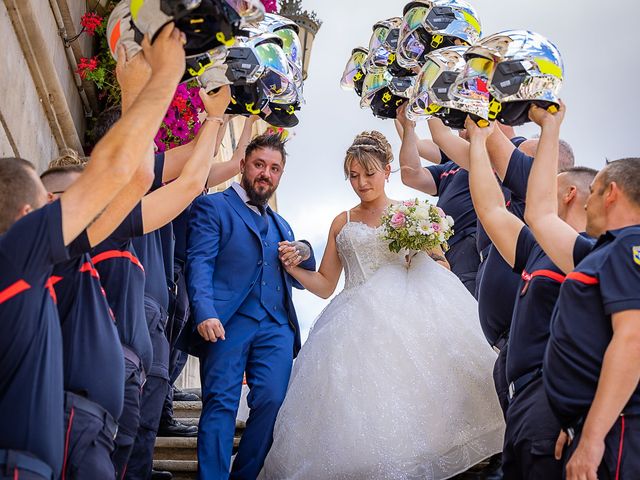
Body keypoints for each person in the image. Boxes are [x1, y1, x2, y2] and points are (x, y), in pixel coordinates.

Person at [259, 131, 504, 479]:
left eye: (369, 174)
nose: (361, 183)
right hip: (352, 323)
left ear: (387, 171)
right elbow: (327, 284)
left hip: (408, 315)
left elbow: (443, 265)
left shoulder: (412, 213)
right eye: (354, 176)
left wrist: (419, 260)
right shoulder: (341, 222)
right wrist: (294, 269)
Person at [0, 22, 186, 480]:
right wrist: (165, 72)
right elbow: (114, 170)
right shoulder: (17, 251)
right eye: (50, 205)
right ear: (31, 212)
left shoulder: (32, 264)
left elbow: (135, 180)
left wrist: (137, 90)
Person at [466, 115, 596, 478]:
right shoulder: (539, 248)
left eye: (548, 183)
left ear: (570, 193)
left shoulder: (594, 254)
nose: (534, 191)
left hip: (554, 401)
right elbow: (491, 210)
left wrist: (549, 127)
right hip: (518, 396)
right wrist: (477, 142)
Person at [186, 133, 316, 479]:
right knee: (221, 403)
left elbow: (306, 269)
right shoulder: (212, 207)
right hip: (228, 322)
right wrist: (205, 311)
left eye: (274, 169)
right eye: (259, 165)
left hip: (276, 327)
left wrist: (303, 249)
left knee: (273, 401)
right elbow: (199, 262)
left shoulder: (281, 223)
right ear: (243, 165)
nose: (266, 174)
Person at [524, 103, 640, 480]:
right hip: (596, 425)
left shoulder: (631, 245)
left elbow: (633, 339)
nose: (585, 200)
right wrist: (549, 127)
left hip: (621, 432)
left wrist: (592, 438)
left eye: (595, 190)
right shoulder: (600, 252)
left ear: (611, 194)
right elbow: (540, 214)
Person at [158, 115, 260, 439]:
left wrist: (248, 120)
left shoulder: (203, 176)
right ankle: (163, 414)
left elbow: (236, 161)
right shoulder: (181, 175)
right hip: (171, 264)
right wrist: (216, 119)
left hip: (188, 267)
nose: (212, 145)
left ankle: (166, 402)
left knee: (175, 345)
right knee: (167, 342)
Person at [395, 108, 480, 294]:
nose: (459, 127)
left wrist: (427, 95)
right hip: (444, 250)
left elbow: (441, 136)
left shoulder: (485, 156)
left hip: (471, 245)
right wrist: (402, 117)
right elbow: (411, 173)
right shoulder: (451, 166)